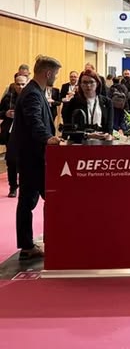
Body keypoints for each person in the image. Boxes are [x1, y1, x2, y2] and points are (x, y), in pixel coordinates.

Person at [9, 55, 62, 260]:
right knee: (34, 201)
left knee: (29, 201)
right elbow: (34, 121)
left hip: (32, 156)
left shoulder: (35, 91)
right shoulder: (32, 93)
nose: (56, 77)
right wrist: (48, 138)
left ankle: (29, 245)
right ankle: (31, 245)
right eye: (55, 74)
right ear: (48, 73)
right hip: (33, 157)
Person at [0, 73, 28, 197]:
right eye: (18, 84)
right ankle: (13, 187)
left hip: (27, 133)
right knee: (11, 161)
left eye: (23, 84)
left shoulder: (31, 97)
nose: (20, 87)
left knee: (25, 161)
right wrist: (6, 113)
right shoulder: (8, 97)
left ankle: (25, 186)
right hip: (10, 132)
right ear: (14, 84)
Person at [61, 69, 113, 134]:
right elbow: (68, 128)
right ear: (80, 84)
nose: (88, 85)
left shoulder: (107, 102)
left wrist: (108, 136)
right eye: (85, 82)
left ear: (97, 83)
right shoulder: (74, 102)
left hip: (102, 139)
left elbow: (109, 128)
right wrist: (87, 135)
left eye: (91, 82)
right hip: (81, 139)